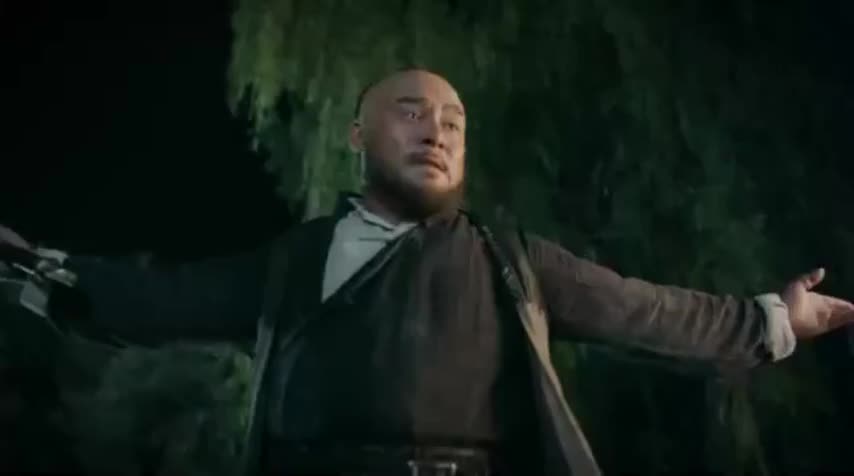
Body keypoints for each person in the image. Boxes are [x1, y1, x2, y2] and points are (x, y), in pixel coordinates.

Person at [2, 68, 853, 476]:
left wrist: (773, 319)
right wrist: (32, 272)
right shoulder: (294, 261)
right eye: (410, 113)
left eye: (452, 120)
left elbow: (648, 311)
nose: (436, 131)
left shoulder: (508, 259)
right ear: (357, 135)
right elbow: (161, 300)